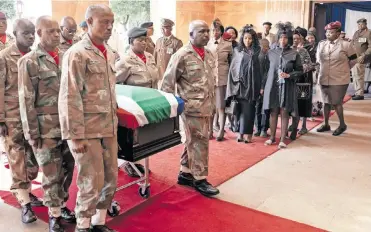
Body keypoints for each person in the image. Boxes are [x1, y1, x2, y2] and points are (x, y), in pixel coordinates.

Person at [59, 5, 118, 232]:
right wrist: (75, 135)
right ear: (89, 22)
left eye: (111, 22)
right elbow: (68, 96)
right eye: (104, 22)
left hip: (108, 128)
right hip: (86, 131)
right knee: (90, 181)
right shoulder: (77, 53)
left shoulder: (109, 52)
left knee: (110, 178)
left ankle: (98, 222)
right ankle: (82, 225)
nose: (109, 27)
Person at [18, 16, 76, 232]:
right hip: (45, 129)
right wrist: (31, 133)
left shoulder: (68, 57)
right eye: (50, 31)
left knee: (69, 168)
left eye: (56, 31)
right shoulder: (29, 61)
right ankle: (54, 215)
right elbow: (25, 100)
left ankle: (61, 204)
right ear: (39, 33)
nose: (55, 35)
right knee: (51, 174)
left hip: (69, 127)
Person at [161, 20, 219, 197]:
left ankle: (185, 173)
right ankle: (200, 179)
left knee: (193, 140)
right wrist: (170, 110)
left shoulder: (209, 54)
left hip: (207, 106)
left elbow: (211, 82)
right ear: (191, 34)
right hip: (191, 108)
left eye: (208, 31)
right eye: (201, 31)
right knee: (199, 141)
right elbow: (167, 84)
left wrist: (214, 104)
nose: (206, 34)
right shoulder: (182, 55)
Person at [0, 18, 43, 224]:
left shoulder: (36, 57)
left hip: (34, 118)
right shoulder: (5, 57)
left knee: (33, 161)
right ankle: (25, 204)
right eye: (26, 33)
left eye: (33, 33)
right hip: (13, 117)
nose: (31, 36)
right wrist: (0, 119)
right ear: (15, 34)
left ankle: (25, 189)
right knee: (17, 159)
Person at [115, 27, 159, 177]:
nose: (144, 43)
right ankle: (128, 164)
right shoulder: (126, 60)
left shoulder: (149, 56)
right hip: (134, 106)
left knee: (143, 137)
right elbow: (114, 82)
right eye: (140, 40)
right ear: (131, 42)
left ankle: (137, 162)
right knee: (132, 137)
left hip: (148, 104)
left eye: (145, 40)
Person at [263, 22, 303, 149]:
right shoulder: (271, 53)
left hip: (287, 86)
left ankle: (282, 139)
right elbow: (265, 71)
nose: (282, 40)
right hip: (272, 86)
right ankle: (271, 137)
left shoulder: (294, 53)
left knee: (284, 112)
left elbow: (300, 71)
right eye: (281, 37)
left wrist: (289, 75)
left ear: (289, 39)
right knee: (273, 112)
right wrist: (263, 87)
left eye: (285, 37)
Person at [316, 21, 357, 136]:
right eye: (327, 32)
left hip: (339, 79)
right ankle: (326, 124)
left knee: (336, 103)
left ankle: (342, 124)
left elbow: (354, 60)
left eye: (331, 32)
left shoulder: (346, 45)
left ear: (338, 33)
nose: (328, 34)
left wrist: (344, 69)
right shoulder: (321, 44)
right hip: (324, 77)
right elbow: (318, 60)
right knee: (325, 102)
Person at [226, 25, 262, 143]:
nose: (247, 41)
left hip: (251, 86)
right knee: (239, 110)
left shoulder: (257, 51)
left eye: (250, 38)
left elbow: (260, 70)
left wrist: (260, 86)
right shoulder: (237, 50)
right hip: (239, 85)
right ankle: (240, 133)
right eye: (245, 38)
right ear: (242, 39)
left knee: (249, 111)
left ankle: (248, 133)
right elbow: (233, 68)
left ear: (253, 39)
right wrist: (235, 81)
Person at [206, 20, 232, 141]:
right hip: (210, 79)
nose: (214, 32)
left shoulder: (227, 45)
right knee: (211, 107)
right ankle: (210, 130)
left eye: (217, 30)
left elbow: (232, 63)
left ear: (221, 31)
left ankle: (221, 130)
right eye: (212, 30)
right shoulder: (206, 44)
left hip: (222, 78)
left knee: (221, 106)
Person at [290, 28, 315, 139]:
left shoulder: (303, 50)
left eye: (297, 38)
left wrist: (298, 70)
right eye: (293, 38)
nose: (295, 40)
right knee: (292, 103)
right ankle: (293, 124)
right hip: (291, 81)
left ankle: (304, 125)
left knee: (303, 102)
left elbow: (309, 66)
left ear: (301, 39)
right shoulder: (288, 49)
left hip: (303, 80)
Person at [0, 11, 14, 169]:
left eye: (4, 20)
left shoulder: (13, 39)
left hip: (10, 86)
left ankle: (7, 151)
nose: (1, 23)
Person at [351, 18, 371, 100]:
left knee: (359, 75)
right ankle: (357, 92)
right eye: (358, 24)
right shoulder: (356, 33)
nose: (360, 25)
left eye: (362, 24)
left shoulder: (369, 33)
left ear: (365, 24)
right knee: (355, 75)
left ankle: (360, 94)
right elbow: (352, 43)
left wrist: (364, 55)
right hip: (354, 57)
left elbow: (370, 47)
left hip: (362, 58)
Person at [254, 38, 270, 138]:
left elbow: (266, 73)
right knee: (259, 108)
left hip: (264, 86)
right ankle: (259, 128)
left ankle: (263, 129)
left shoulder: (267, 56)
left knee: (263, 109)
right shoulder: (258, 55)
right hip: (258, 86)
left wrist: (262, 87)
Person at [305, 32, 322, 117]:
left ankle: (317, 108)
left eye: (312, 38)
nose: (310, 40)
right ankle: (309, 109)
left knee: (316, 90)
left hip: (316, 71)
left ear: (315, 38)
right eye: (308, 38)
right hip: (307, 71)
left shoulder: (318, 47)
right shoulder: (304, 47)